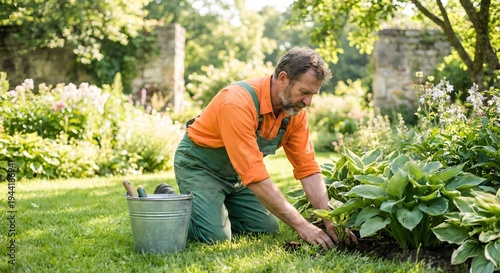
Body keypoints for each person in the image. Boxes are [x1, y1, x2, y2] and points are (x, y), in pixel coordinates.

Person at [172, 47, 355, 248]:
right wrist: (302, 226)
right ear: (283, 79)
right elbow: (254, 174)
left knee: (265, 227)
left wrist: (329, 218)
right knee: (215, 237)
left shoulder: (294, 113)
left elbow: (308, 168)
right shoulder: (236, 102)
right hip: (200, 167)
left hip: (236, 176)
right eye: (304, 92)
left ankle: (212, 207)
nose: (308, 102)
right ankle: (169, 201)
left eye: (313, 94)